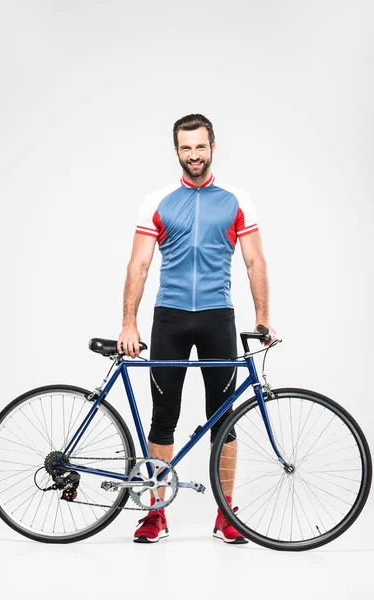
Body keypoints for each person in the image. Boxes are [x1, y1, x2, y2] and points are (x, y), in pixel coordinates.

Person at [117, 113, 275, 544]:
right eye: (185, 148)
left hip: (217, 317)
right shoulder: (157, 201)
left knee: (223, 419)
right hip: (168, 317)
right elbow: (140, 263)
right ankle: (155, 512)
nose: (193, 155)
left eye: (200, 147)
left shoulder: (237, 199)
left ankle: (226, 515)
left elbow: (254, 261)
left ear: (212, 147)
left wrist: (262, 317)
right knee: (162, 418)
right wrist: (129, 322)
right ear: (176, 151)